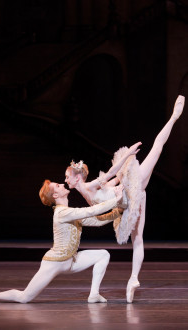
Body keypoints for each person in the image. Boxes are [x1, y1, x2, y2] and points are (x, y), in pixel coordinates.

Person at [65, 95, 185, 303]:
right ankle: (174, 117)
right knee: (156, 151)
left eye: (67, 177)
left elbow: (111, 175)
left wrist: (125, 163)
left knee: (139, 239)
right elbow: (105, 198)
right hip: (126, 201)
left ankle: (133, 280)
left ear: (77, 178)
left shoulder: (88, 186)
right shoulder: (87, 191)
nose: (66, 180)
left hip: (129, 195)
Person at [0, 180, 125, 304]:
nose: (62, 184)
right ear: (55, 195)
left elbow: (97, 220)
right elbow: (91, 211)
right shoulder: (62, 213)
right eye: (58, 186)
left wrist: (119, 211)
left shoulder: (71, 212)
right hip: (54, 262)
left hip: (71, 261)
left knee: (103, 254)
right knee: (24, 297)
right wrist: (115, 200)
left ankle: (94, 295)